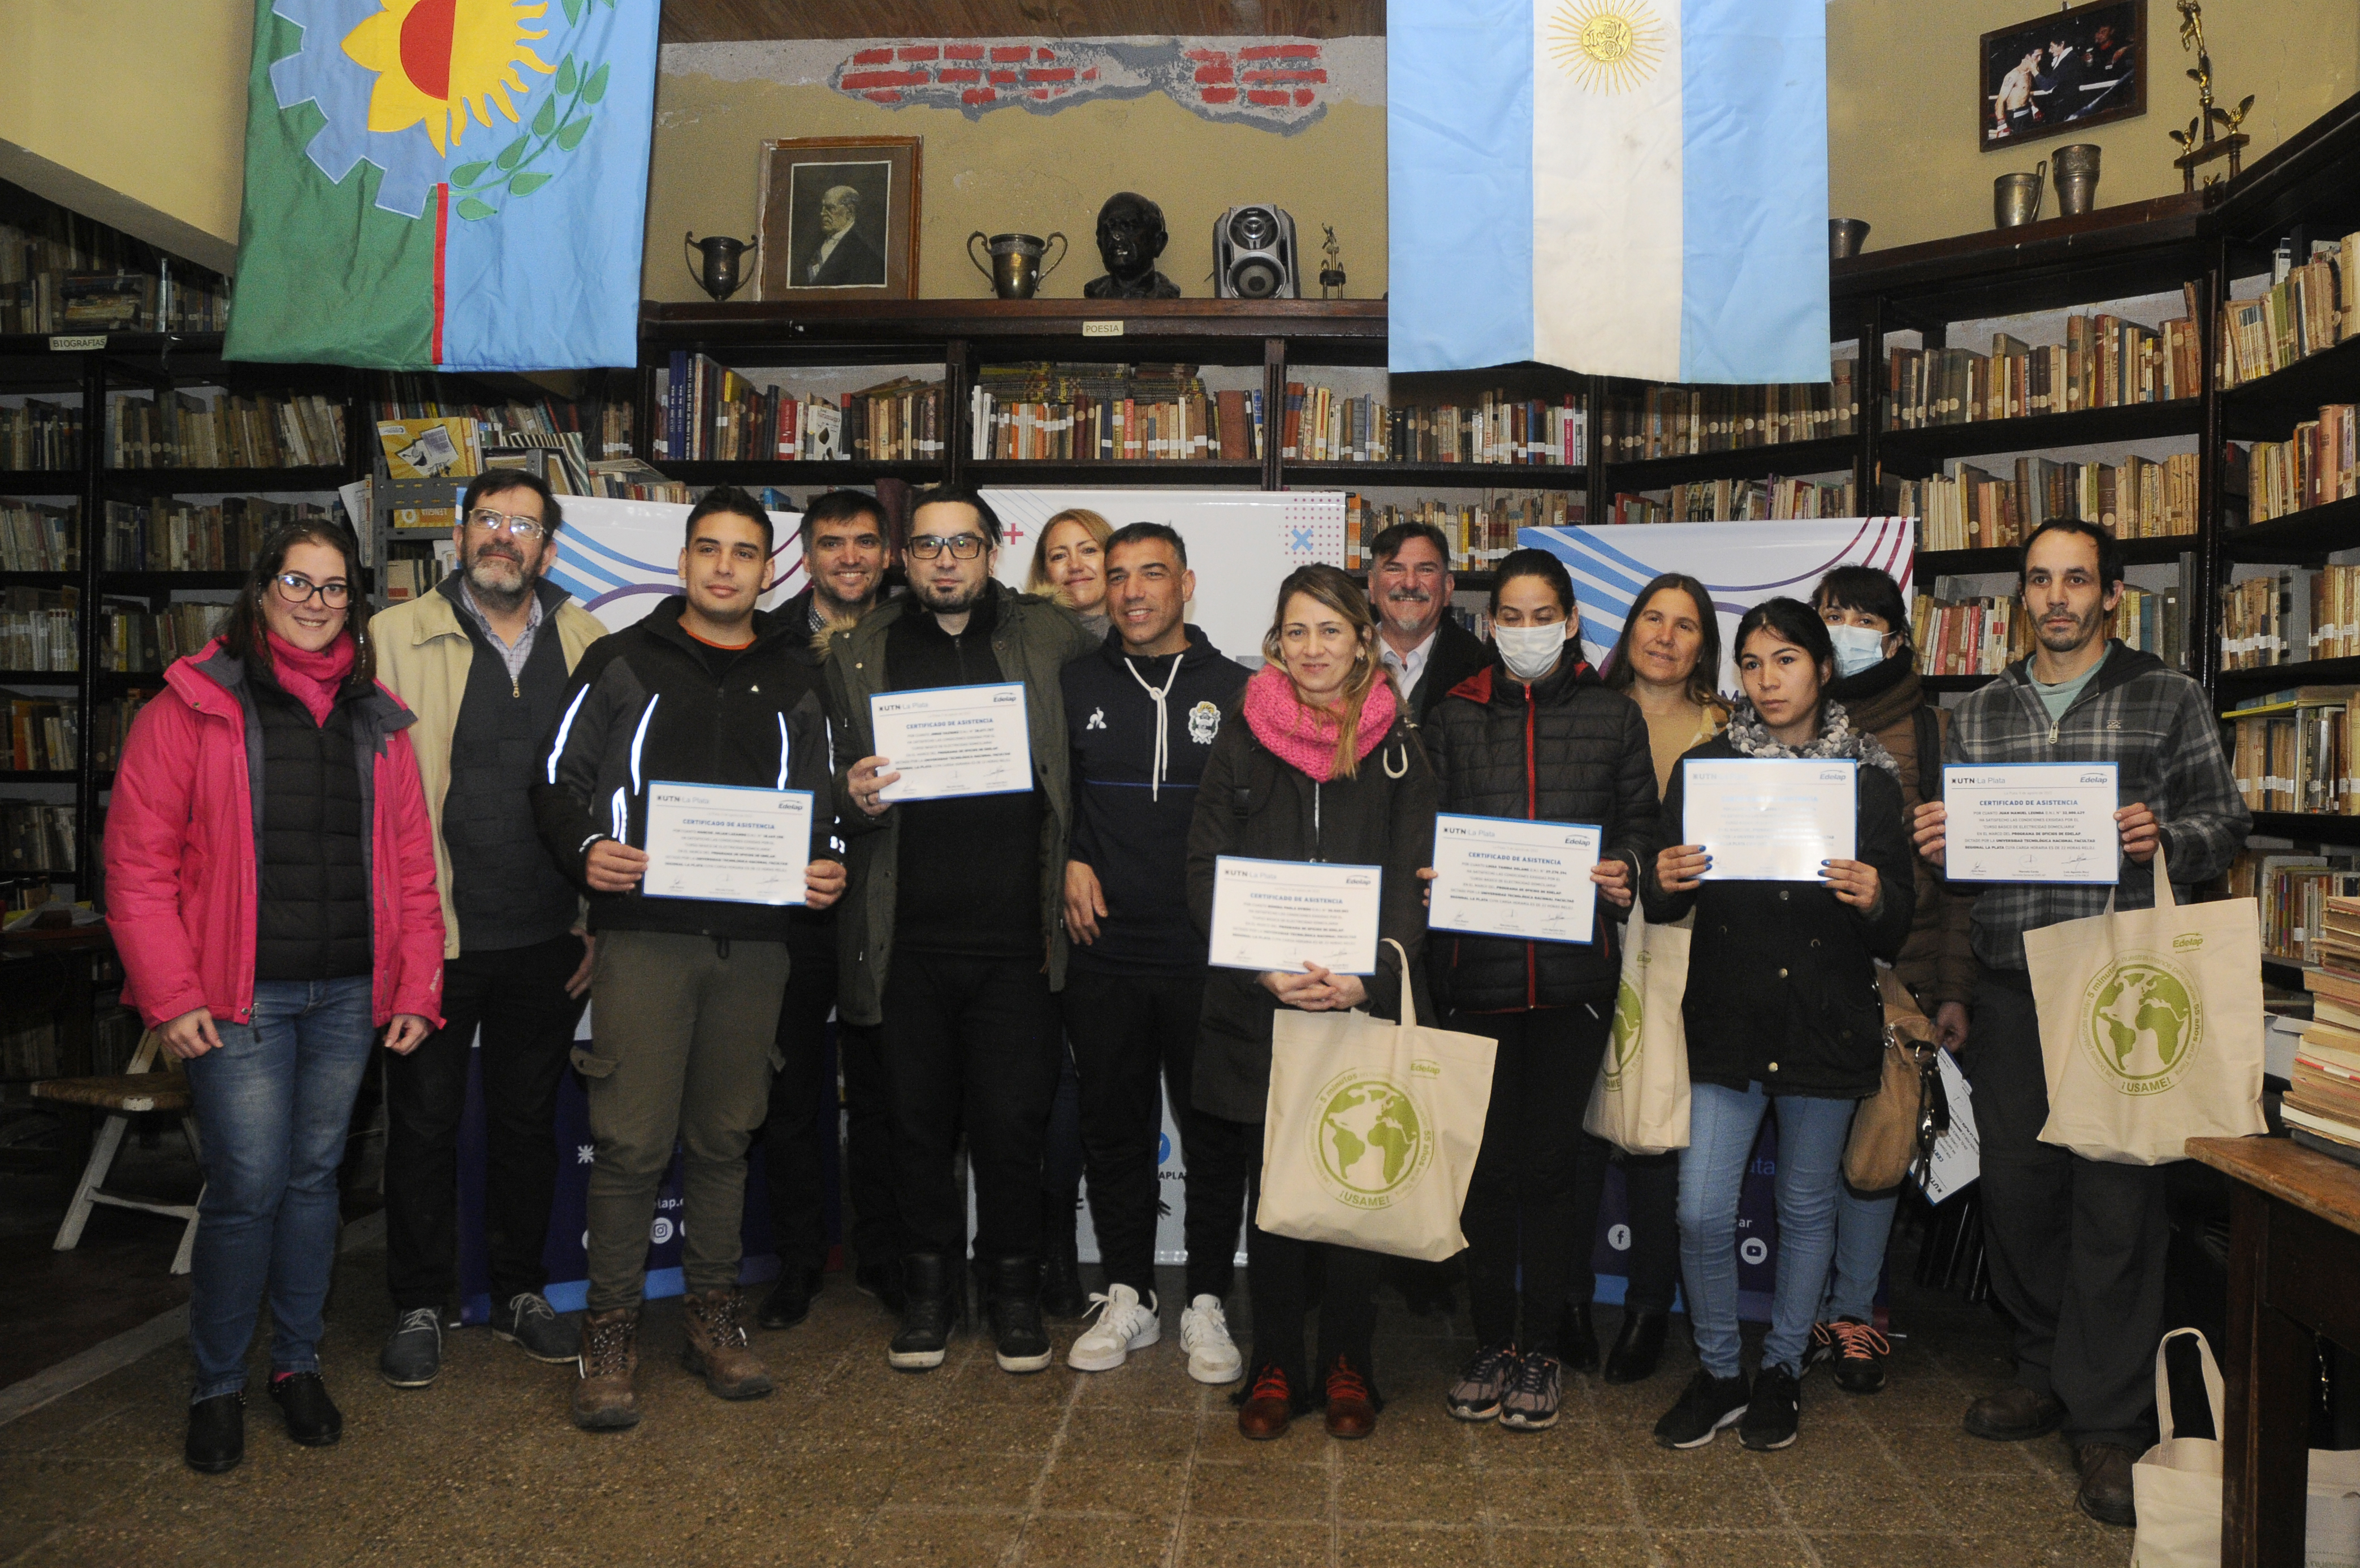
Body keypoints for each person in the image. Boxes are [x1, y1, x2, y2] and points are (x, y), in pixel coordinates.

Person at [1912, 520, 2251, 1528]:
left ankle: (2107, 1418)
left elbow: (2223, 823)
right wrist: (1940, 855)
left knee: (2114, 1197)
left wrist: (2165, 832)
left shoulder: (2166, 695)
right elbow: (1961, 877)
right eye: (2036, 580)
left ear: (2109, 594)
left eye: (2075, 580)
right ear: (2020, 596)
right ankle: (2041, 1366)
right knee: (2018, 1191)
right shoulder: (1974, 709)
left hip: (2119, 986)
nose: (2054, 596)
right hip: (2014, 984)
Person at [106, 520, 445, 1474]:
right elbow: (136, 869)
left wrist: (415, 980)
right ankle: (216, 1383)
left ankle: (295, 1366)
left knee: (312, 1183)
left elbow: (414, 870)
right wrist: (171, 997)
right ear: (260, 590)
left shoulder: (377, 717)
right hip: (234, 998)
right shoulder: (187, 707)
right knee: (248, 1188)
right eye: (298, 581)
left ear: (355, 603)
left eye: (335, 587)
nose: (315, 600)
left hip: (346, 993)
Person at [533, 486, 847, 1432]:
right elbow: (557, 775)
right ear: (682, 563)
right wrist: (586, 847)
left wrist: (826, 861)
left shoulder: (799, 672)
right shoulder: (621, 658)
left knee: (724, 1136)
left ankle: (712, 1316)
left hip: (755, 943)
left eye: (742, 553)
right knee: (629, 1141)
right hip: (645, 937)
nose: (722, 567)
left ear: (767, 569)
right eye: (706, 549)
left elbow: (823, 798)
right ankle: (610, 1330)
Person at [829, 485, 1099, 1375]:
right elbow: (825, 783)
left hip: (1018, 940)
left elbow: (1096, 753)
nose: (945, 561)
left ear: (991, 552)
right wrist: (851, 797)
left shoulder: (1051, 636)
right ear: (903, 560)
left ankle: (1014, 1292)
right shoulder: (858, 651)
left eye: (964, 544)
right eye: (927, 546)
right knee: (914, 1127)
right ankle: (931, 1296)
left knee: (1011, 1128)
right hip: (903, 939)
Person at [1645, 597, 1914, 1453]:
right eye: (1752, 664)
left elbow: (1896, 920)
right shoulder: (1705, 769)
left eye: (1785, 661)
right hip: (1727, 1018)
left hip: (1825, 1019)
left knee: (1804, 1209)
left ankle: (1784, 1370)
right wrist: (1667, 876)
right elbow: (1658, 892)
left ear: (1823, 668)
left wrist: (1876, 897)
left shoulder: (1867, 778)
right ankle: (1721, 1368)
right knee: (1698, 1211)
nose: (1766, 680)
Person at [1186, 564, 1438, 1441]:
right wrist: (1260, 967)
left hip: (1357, 1004)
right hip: (1262, 1007)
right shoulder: (1240, 739)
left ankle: (1348, 1362)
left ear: (1363, 641)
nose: (1313, 649)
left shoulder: (1399, 745)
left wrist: (1370, 972)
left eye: (1331, 631)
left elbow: (1415, 882)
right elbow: (1204, 872)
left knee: (1351, 1199)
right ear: (1275, 644)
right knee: (1277, 1201)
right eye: (1296, 632)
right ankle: (1273, 1364)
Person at [370, 469, 607, 1389]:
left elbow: (606, 789)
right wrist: (392, 937)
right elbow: (372, 800)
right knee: (422, 1126)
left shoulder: (588, 636)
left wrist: (596, 918)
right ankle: (418, 1303)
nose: (503, 536)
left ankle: (520, 1293)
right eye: (488, 519)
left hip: (548, 936)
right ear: (459, 534)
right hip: (434, 942)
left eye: (524, 524)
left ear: (547, 547)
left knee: (525, 1124)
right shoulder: (391, 637)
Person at [1421, 550, 1660, 1432]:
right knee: (1486, 1171)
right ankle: (1491, 1343)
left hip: (1571, 982)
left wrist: (1625, 868)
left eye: (1542, 614)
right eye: (1510, 617)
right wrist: (1426, 872)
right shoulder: (1452, 716)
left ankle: (1544, 1350)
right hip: (1473, 977)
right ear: (1490, 627)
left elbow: (1641, 825)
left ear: (1571, 622)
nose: (1526, 632)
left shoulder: (1611, 717)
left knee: (1554, 1169)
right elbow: (1427, 828)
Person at [1057, 522, 1253, 1380]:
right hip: (1104, 954)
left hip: (1208, 955)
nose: (1132, 590)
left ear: (1186, 584)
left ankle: (1207, 1301)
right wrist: (1067, 853)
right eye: (1117, 575)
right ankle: (1129, 1293)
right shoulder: (1069, 683)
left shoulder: (1244, 689)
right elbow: (1044, 795)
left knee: (1213, 1137)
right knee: (1114, 1132)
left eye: (1152, 574)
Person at [1800, 565, 1973, 1396]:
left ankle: (1857, 1312)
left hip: (1898, 972)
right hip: (1800, 969)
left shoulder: (1933, 730)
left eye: (1862, 618)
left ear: (1896, 637)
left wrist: (1950, 989)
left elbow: (1955, 879)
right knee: (1801, 1150)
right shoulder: (1786, 716)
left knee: (1877, 1144)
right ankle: (1798, 1310)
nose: (1843, 629)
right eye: (1829, 614)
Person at [753, 490, 904, 1329]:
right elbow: (746, 768)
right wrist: (831, 797)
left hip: (890, 893)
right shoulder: (766, 639)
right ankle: (799, 1263)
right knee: (791, 1090)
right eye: (830, 543)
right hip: (793, 896)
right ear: (804, 556)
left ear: (886, 554)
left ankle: (882, 1258)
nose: (848, 556)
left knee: (886, 1087)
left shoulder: (921, 634)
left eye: (863, 542)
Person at [1575, 573, 1730, 1382]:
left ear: (1705, 644)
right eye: (1651, 619)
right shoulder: (1580, 708)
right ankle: (1567, 1297)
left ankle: (1646, 1305)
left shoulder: (1727, 728)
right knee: (1575, 1123)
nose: (1664, 637)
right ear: (1627, 628)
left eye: (1684, 626)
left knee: (1655, 1133)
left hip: (1687, 951)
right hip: (1585, 936)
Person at [1023, 505, 1115, 1312]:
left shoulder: (1152, 650)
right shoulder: (1032, 651)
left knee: (1100, 1089)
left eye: (1091, 551)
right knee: (1048, 1087)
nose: (1076, 565)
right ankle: (1047, 1253)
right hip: (1044, 901)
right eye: (1059, 555)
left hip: (1126, 907)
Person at [1368, 520, 1489, 724]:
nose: (1410, 583)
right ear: (1372, 585)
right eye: (1395, 569)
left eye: (1425, 570)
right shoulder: (1339, 662)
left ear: (1448, 588)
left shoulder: (1480, 669)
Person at [1026, 507, 1113, 640]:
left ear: (1114, 559)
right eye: (1059, 556)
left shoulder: (1147, 633)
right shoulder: (1026, 637)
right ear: (1044, 572)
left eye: (1088, 551)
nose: (1075, 566)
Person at [801, 184, 885, 288]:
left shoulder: (865, 254)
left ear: (849, 212)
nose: (822, 213)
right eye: (822, 208)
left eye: (830, 208)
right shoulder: (813, 243)